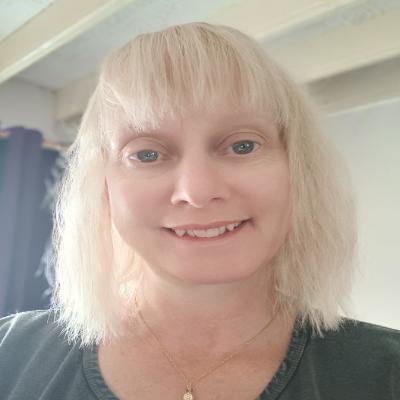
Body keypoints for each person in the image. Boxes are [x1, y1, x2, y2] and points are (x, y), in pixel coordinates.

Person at [0, 22, 399, 400]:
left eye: (242, 146)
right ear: (101, 185)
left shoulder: (386, 372)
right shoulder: (10, 355)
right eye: (148, 153)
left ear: (299, 169)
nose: (197, 191)